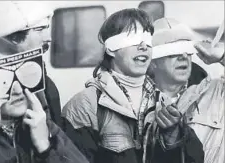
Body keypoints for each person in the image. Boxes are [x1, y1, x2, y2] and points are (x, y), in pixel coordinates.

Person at [61, 9, 204, 163]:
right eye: (132, 39)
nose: (143, 46)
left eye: (148, 39)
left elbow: (195, 159)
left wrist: (173, 137)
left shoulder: (164, 102)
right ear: (110, 48)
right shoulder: (85, 106)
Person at [0, 36, 89, 163]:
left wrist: (46, 148)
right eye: (3, 82)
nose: (18, 90)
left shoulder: (39, 123)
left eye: (21, 76)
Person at [149, 17, 224, 163]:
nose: (183, 56)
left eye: (186, 49)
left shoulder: (218, 92)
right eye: (172, 50)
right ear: (153, 61)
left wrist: (222, 56)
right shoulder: (138, 104)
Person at [0, 1, 62, 127]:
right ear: (15, 37)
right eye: (39, 30)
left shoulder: (46, 83)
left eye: (47, 29)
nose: (48, 38)